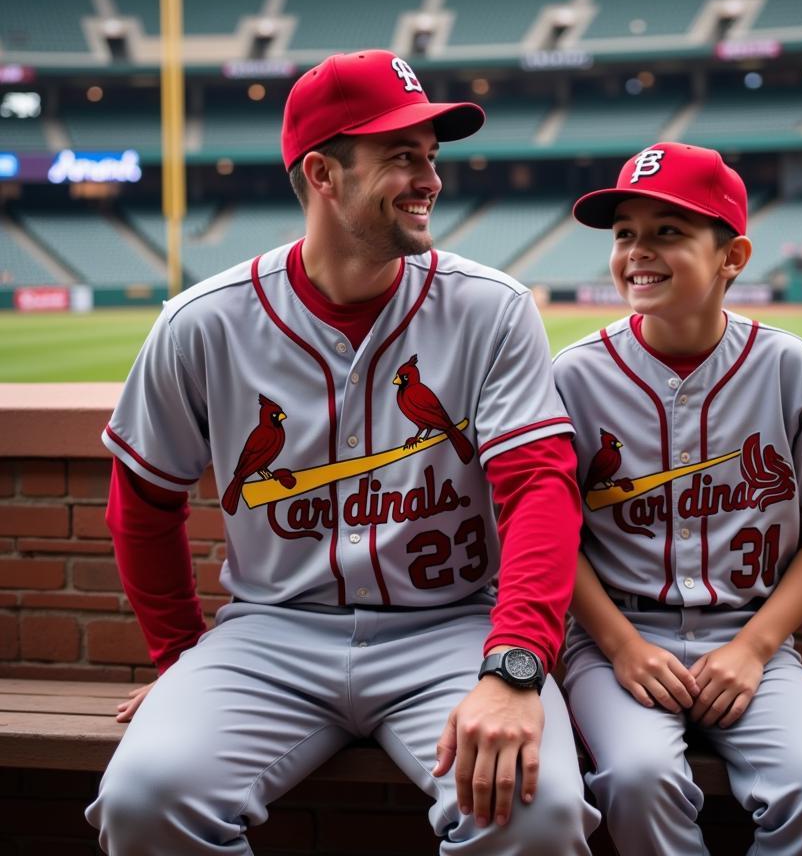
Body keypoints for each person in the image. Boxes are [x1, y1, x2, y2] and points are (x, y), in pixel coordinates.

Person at [85, 49, 598, 855]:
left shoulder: (491, 309)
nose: (429, 178)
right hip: (269, 632)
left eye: (431, 157)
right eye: (402, 157)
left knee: (536, 811)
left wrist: (515, 667)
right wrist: (180, 659)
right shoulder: (203, 322)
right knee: (146, 796)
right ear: (323, 174)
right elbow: (142, 504)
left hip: (451, 630)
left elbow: (541, 491)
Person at [552, 141, 802, 855]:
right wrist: (621, 646)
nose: (638, 252)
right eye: (625, 234)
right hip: (616, 643)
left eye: (667, 232)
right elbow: (551, 537)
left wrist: (757, 648)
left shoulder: (788, 366)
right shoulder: (575, 376)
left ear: (732, 257)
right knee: (639, 780)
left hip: (749, 637)